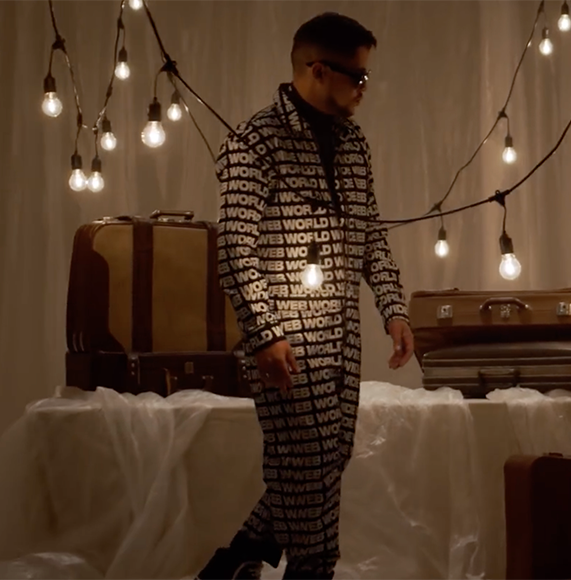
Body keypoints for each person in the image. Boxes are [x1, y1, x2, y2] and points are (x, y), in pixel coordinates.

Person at [197, 12, 415, 580]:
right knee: (307, 463)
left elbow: (370, 234)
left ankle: (233, 563)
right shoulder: (254, 142)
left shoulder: (353, 144)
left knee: (323, 461)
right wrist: (265, 335)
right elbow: (236, 250)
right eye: (357, 77)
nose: (364, 88)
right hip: (284, 343)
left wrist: (393, 308)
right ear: (318, 70)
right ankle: (313, 570)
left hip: (342, 340)